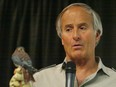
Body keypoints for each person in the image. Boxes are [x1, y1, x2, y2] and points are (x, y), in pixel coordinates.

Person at [9, 3, 116, 87]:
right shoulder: (38, 80)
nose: (75, 36)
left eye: (82, 28)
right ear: (62, 39)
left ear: (97, 35)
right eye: (68, 29)